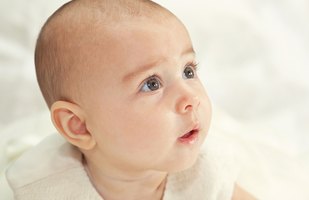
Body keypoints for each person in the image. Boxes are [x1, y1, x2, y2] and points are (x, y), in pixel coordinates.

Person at [6, 0, 255, 199]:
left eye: (188, 71)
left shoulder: (206, 170)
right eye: (151, 84)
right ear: (78, 125)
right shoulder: (47, 190)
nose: (191, 98)